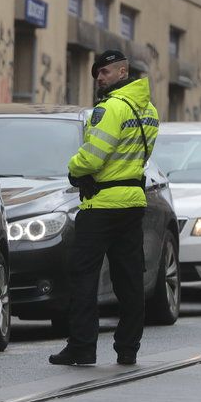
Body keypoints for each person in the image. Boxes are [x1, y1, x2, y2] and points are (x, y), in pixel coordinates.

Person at [50, 49, 160, 367]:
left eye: (106, 72)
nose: (99, 77)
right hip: (133, 202)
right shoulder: (149, 110)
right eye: (97, 72)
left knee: (84, 277)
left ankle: (82, 347)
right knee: (129, 280)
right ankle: (128, 348)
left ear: (123, 73)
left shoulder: (110, 109)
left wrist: (74, 168)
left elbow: (94, 155)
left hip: (101, 204)